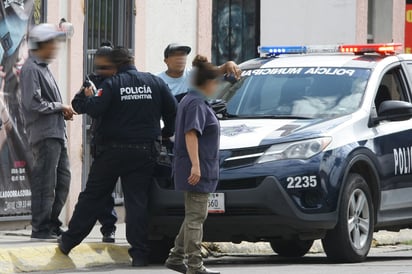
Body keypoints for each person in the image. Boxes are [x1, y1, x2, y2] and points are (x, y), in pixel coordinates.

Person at [59, 47, 177, 267]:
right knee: (137, 202)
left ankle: (68, 242)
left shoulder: (112, 84)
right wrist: (166, 133)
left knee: (93, 197)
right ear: (131, 61)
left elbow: (93, 108)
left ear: (115, 66)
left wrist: (87, 95)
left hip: (112, 153)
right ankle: (140, 255)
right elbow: (173, 110)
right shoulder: (154, 82)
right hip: (145, 152)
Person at [165, 55, 221, 274]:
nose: (217, 87)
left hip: (197, 167)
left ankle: (176, 257)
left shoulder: (191, 100)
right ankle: (195, 265)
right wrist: (196, 166)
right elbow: (191, 134)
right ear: (206, 83)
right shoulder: (196, 103)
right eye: (215, 82)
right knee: (196, 218)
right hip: (197, 169)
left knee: (192, 216)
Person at [20, 24, 75, 240]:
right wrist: (59, 107)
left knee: (62, 181)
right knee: (45, 183)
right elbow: (32, 103)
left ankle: (52, 224)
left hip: (56, 133)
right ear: (40, 44)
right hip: (44, 135)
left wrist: (61, 111)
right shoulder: (31, 68)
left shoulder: (43, 68)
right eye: (51, 43)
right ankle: (40, 228)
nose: (54, 48)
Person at [72, 41, 118, 243]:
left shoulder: (122, 79)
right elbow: (78, 105)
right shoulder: (92, 80)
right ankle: (109, 227)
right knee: (103, 189)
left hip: (123, 140)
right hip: (102, 141)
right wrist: (88, 96)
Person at [158, 43, 241, 101]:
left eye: (183, 54)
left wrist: (229, 64)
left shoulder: (195, 74)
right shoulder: (157, 81)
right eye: (175, 55)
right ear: (166, 61)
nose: (180, 58)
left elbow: (220, 70)